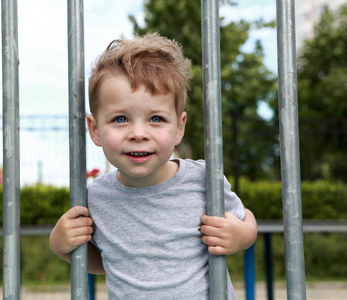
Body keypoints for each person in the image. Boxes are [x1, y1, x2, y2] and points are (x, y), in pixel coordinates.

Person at [49, 33, 257, 299]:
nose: (138, 133)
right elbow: (106, 263)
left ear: (179, 127)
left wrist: (242, 236)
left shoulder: (202, 178)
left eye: (156, 118)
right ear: (95, 129)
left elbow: (245, 217)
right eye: (121, 118)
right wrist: (60, 245)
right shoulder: (96, 197)